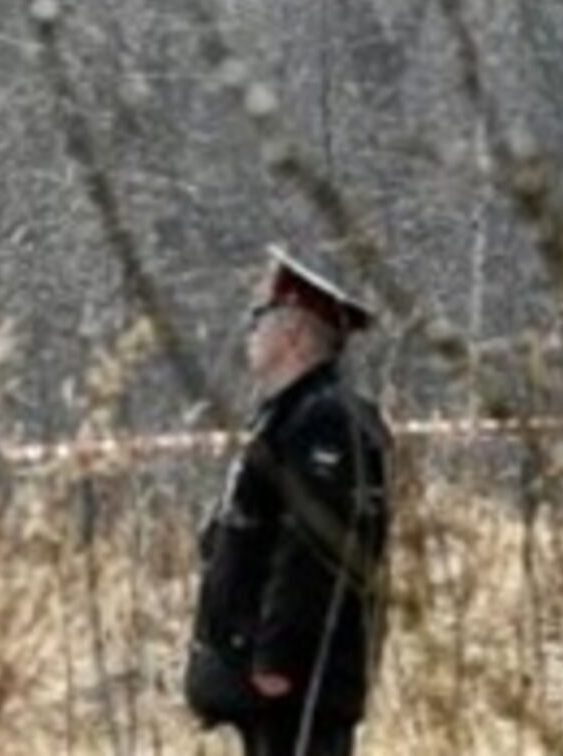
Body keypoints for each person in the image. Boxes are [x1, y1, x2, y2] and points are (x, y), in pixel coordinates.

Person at [186, 247, 393, 756]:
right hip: (265, 677)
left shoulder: (323, 421)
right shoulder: (287, 415)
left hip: (299, 679)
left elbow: (314, 547)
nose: (249, 334)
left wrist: (278, 656)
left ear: (295, 334)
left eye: (259, 319)